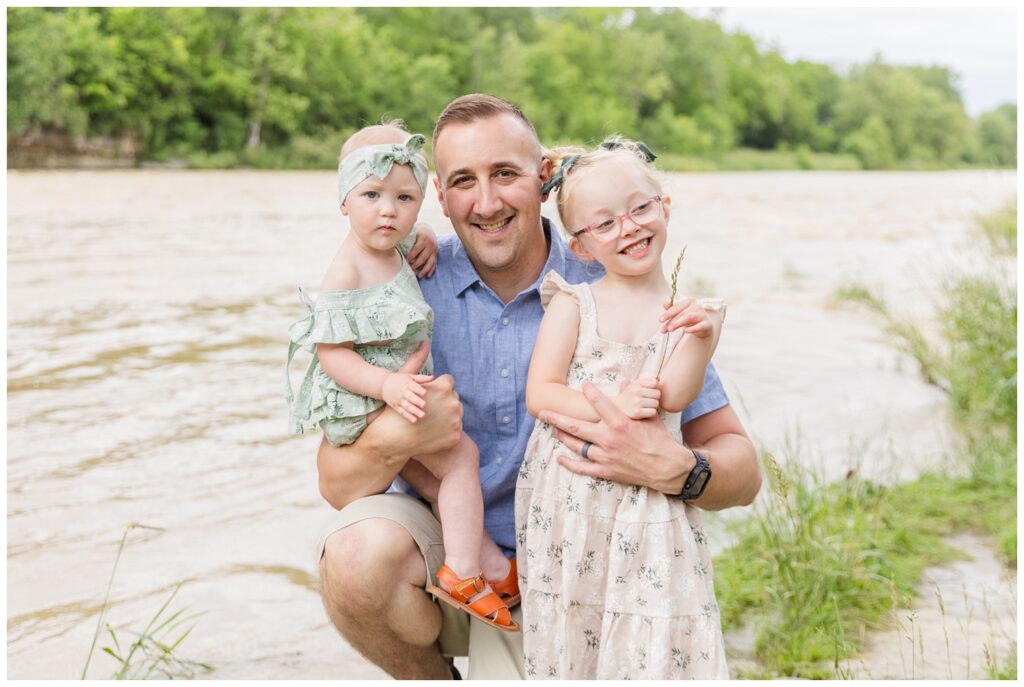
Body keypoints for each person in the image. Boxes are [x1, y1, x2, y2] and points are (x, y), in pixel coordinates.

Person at [314, 94, 761, 680]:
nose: (488, 201)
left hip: (583, 557)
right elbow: (335, 482)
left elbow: (743, 471)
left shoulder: (611, 282)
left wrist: (674, 467)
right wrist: (399, 433)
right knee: (355, 555)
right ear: (440, 200)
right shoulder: (401, 285)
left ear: (543, 177)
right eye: (463, 182)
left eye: (505, 174)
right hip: (455, 556)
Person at [287, 122, 516, 632]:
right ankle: (465, 571)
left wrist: (430, 234)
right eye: (372, 195)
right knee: (462, 458)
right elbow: (331, 355)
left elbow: (413, 233)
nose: (388, 210)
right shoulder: (345, 272)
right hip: (370, 400)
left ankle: (497, 569)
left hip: (398, 395)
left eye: (404, 197)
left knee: (438, 484)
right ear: (344, 200)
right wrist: (387, 387)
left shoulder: (393, 242)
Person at [517, 139, 728, 678]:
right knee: (578, 633)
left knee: (656, 630)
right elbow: (541, 394)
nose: (629, 228)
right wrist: (611, 401)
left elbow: (676, 396)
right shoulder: (574, 302)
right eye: (604, 223)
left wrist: (704, 338)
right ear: (582, 246)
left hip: (649, 507)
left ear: (665, 207)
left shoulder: (680, 312)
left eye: (640, 208)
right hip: (572, 506)